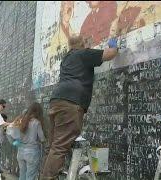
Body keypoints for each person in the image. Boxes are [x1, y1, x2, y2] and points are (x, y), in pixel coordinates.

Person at [41, 35, 119, 179]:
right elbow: (110, 54)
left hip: (56, 101)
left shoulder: (66, 59)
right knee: (59, 147)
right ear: (83, 44)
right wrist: (113, 43)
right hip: (71, 103)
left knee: (52, 146)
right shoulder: (83, 53)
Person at [10, 103, 46, 180]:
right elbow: (42, 138)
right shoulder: (37, 122)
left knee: (22, 174)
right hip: (32, 152)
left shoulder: (21, 120)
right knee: (30, 176)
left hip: (20, 151)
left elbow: (12, 131)